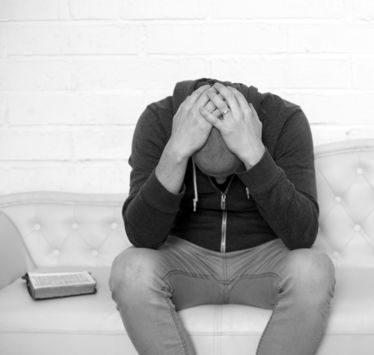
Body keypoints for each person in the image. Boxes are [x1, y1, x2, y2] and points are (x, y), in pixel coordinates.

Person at [109, 77, 336, 355]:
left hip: (264, 259)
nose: (217, 181)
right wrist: (176, 152)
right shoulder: (158, 120)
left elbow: (302, 235)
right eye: (208, 174)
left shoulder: (285, 119)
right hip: (184, 260)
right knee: (129, 269)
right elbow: (142, 236)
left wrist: (253, 152)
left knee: (314, 269)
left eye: (228, 173)